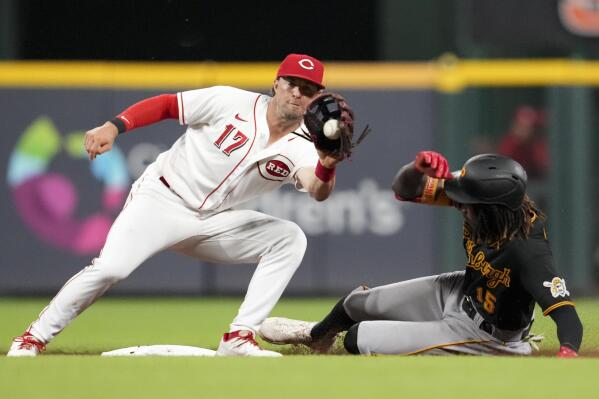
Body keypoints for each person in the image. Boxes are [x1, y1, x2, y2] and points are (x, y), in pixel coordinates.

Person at [8, 53, 351, 357]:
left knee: (290, 238)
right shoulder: (230, 101)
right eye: (292, 83)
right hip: (161, 198)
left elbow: (316, 189)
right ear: (276, 83)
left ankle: (238, 336)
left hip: (213, 221)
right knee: (112, 268)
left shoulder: (307, 144)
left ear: (315, 98)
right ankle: (32, 338)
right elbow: (168, 105)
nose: (297, 93)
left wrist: (327, 164)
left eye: (307, 89)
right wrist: (114, 127)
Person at [259, 151, 583, 357]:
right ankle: (315, 337)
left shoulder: (528, 250)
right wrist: (416, 168)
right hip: (461, 290)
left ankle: (504, 354)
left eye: (467, 202)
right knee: (356, 303)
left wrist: (567, 355)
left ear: (491, 210)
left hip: (486, 335)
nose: (459, 203)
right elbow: (404, 190)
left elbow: (566, 315)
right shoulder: (485, 204)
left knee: (359, 338)